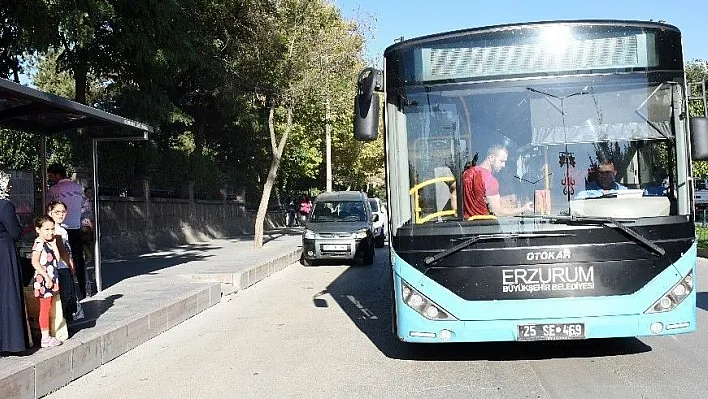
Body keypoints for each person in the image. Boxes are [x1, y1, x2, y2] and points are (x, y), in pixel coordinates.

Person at [47, 163, 87, 299]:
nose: (51, 178)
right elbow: (84, 206)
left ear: (58, 175)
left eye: (51, 176)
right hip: (76, 228)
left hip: (60, 229)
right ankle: (83, 289)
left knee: (63, 261)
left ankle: (68, 291)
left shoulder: (54, 190)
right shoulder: (78, 188)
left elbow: (48, 207)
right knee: (78, 259)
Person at [0, 170, 29, 353]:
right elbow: (15, 232)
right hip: (4, 252)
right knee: (7, 294)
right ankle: (11, 341)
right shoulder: (4, 206)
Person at [462, 145, 533, 218]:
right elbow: (497, 211)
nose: (504, 165)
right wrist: (523, 209)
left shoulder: (466, 173)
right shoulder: (490, 180)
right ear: (490, 157)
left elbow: (455, 199)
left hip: (466, 225)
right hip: (485, 225)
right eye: (501, 161)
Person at [31, 215, 66, 348]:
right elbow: (34, 261)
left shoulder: (48, 243)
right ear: (38, 229)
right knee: (44, 308)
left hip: (51, 279)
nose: (50, 232)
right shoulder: (39, 243)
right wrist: (46, 277)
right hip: (44, 280)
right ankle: (45, 337)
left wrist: (55, 246)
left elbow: (57, 259)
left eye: (52, 229)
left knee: (49, 307)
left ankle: (48, 334)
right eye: (46, 229)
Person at [46, 201, 77, 322]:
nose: (60, 215)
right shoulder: (56, 230)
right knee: (66, 295)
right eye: (57, 212)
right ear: (50, 213)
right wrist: (70, 264)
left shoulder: (61, 229)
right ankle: (63, 321)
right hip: (61, 266)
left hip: (62, 266)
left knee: (66, 294)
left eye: (63, 212)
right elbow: (62, 250)